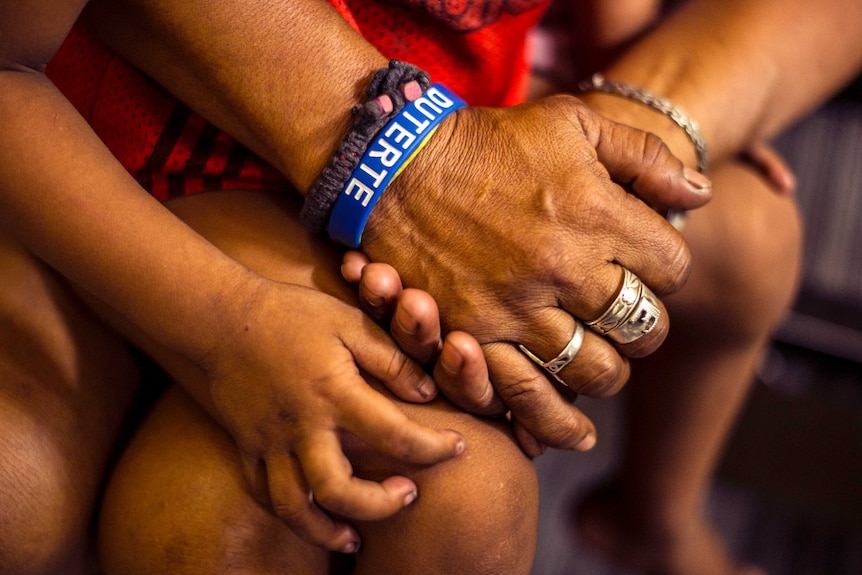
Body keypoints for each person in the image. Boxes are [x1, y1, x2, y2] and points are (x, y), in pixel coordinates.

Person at [0, 1, 703, 574]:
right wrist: (225, 323)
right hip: (159, 140)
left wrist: (616, 156)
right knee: (40, 501)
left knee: (465, 494)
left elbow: (611, 38)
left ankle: (661, 519)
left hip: (428, 135)